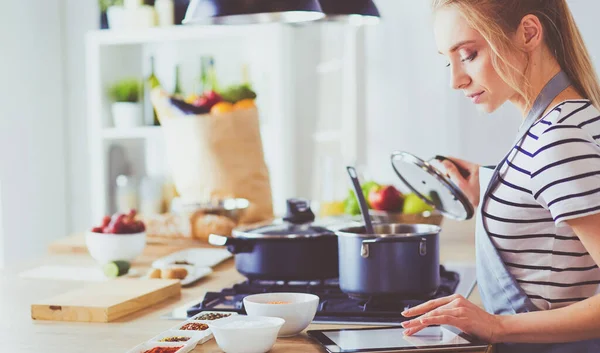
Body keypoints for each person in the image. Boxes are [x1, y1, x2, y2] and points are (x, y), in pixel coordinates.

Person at [400, 1, 600, 352]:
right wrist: (495, 187)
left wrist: (494, 325)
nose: (455, 80)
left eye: (469, 54)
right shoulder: (569, 119)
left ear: (528, 33)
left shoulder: (557, 138)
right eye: (449, 61)